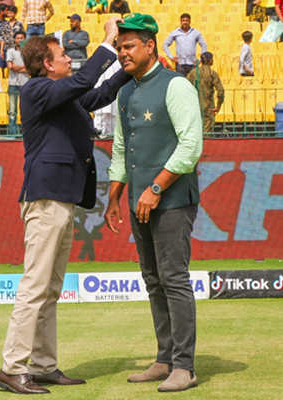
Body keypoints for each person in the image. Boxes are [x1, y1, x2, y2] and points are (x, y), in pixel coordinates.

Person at [0, 17, 131, 395]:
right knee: (35, 286)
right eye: (62, 56)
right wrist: (107, 42)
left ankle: (42, 365)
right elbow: (86, 81)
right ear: (47, 65)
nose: (70, 59)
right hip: (46, 199)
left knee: (50, 288)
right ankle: (12, 367)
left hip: (61, 199)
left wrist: (127, 67)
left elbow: (97, 94)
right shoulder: (37, 89)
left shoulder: (60, 94)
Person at [105, 13, 202, 393]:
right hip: (138, 201)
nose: (122, 53)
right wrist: (114, 196)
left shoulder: (176, 86)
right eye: (118, 46)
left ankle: (185, 366)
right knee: (153, 280)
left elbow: (191, 146)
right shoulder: (125, 91)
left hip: (171, 200)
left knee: (174, 279)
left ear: (150, 46)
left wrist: (156, 188)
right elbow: (119, 148)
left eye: (128, 46)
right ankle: (164, 359)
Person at [187, 52, 224, 134]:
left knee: (194, 133)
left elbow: (185, 87)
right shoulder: (212, 74)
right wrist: (218, 106)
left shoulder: (193, 72)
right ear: (210, 61)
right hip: (208, 107)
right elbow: (221, 91)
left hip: (194, 107)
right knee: (206, 135)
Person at [93, 49, 122, 138]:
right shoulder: (103, 59)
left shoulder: (119, 62)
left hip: (111, 101)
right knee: (100, 132)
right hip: (103, 101)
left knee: (109, 134)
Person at [6, 31, 29, 135]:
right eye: (18, 38)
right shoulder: (10, 51)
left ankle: (26, 133)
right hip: (13, 83)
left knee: (25, 110)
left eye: (21, 38)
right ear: (14, 40)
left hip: (26, 83)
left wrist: (17, 68)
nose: (19, 40)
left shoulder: (28, 52)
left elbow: (30, 69)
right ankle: (13, 133)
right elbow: (10, 66)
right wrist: (23, 68)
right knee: (12, 110)